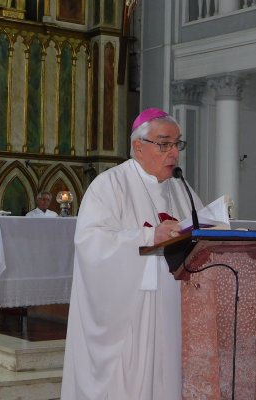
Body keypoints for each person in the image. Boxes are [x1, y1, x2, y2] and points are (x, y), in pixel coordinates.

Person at [61, 108, 203, 400]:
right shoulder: (109, 185)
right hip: (130, 311)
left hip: (174, 305)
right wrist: (148, 236)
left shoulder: (181, 188)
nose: (174, 153)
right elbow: (90, 242)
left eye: (178, 144)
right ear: (139, 146)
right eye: (164, 144)